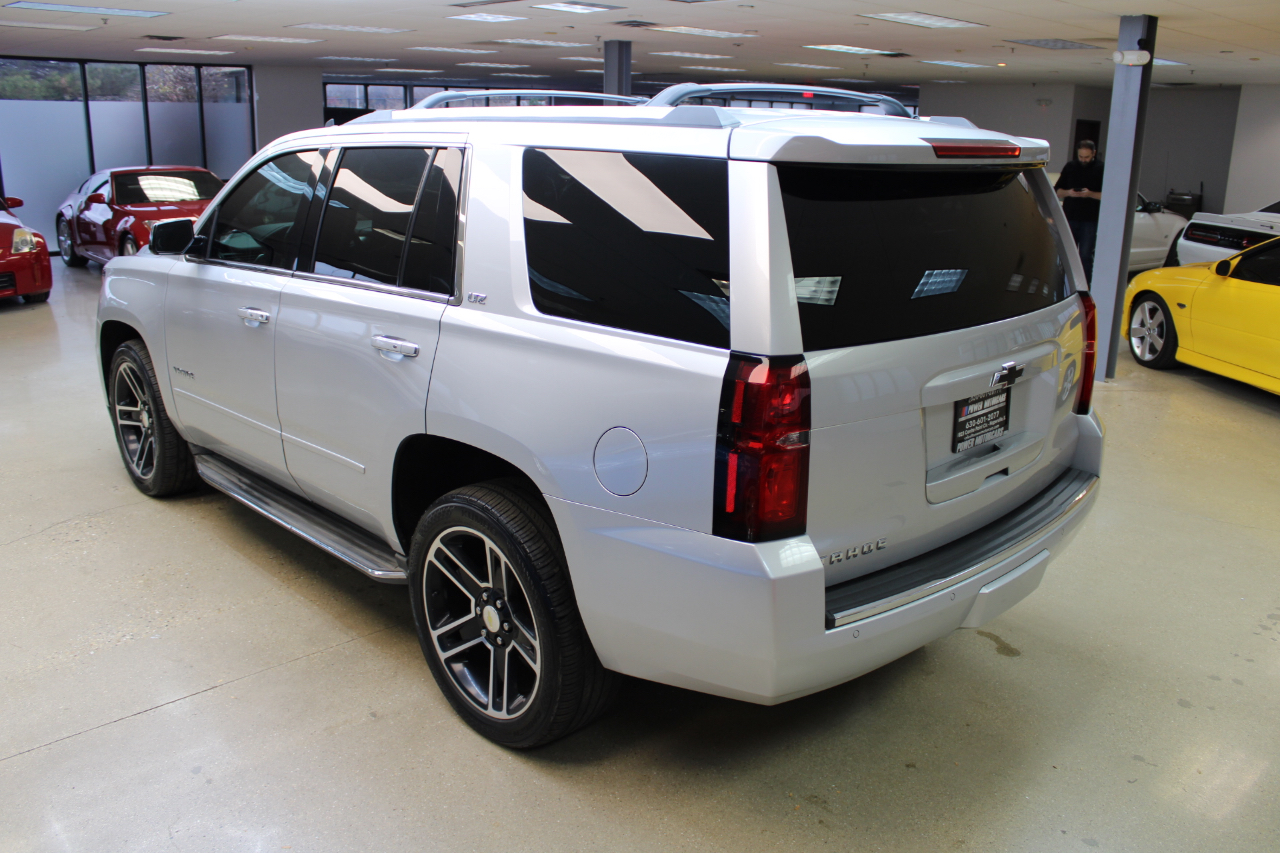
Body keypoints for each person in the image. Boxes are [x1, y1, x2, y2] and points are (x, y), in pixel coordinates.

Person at [1055, 140, 1104, 282]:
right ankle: (1063, 285)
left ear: (1093, 153)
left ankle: (1085, 286)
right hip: (1070, 217)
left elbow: (1107, 196)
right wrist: (1069, 193)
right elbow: (1057, 191)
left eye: (1086, 157)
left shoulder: (1101, 168)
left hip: (1090, 219)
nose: (1083, 160)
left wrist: (1090, 194)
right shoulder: (1070, 167)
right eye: (1081, 157)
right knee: (1066, 255)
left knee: (1085, 256)